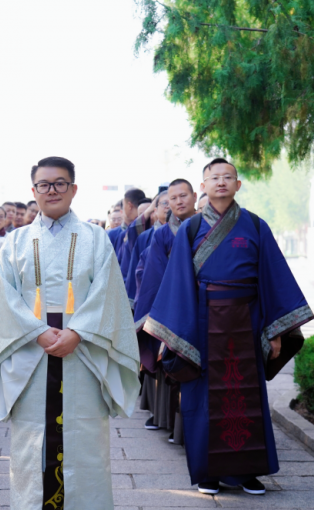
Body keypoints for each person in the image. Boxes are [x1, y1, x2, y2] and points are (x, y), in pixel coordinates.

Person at [0, 156, 140, 510]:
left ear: (73, 189)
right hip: (32, 355)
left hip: (82, 353)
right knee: (31, 446)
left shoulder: (95, 239)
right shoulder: (16, 242)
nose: (52, 190)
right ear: (33, 191)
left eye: (60, 183)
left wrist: (77, 332)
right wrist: (36, 332)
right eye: (44, 184)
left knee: (86, 444)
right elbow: (4, 298)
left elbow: (108, 293)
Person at [143, 158, 314, 496]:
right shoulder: (191, 230)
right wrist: (173, 335)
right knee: (203, 398)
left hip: (247, 322)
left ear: (238, 185)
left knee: (246, 397)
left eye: (228, 177)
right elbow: (177, 284)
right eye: (213, 177)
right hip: (202, 323)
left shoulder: (256, 225)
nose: (221, 182)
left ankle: (247, 473)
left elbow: (273, 280)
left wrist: (275, 332)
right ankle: (208, 474)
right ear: (203, 186)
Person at [134, 180, 197, 439]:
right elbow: (151, 275)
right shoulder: (161, 235)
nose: (179, 201)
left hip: (204, 307)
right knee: (173, 367)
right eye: (174, 198)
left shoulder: (206, 227)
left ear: (194, 196)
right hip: (170, 308)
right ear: (167, 203)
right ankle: (174, 427)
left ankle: (194, 430)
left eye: (184, 196)